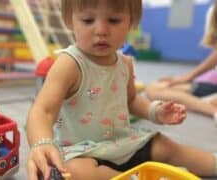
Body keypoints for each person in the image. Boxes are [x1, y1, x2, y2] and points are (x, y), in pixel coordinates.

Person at [26, 0, 217, 180]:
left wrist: (155, 111)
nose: (101, 30)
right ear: (70, 20)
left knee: (165, 146)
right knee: (74, 172)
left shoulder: (125, 63)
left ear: (131, 21)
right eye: (87, 20)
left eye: (114, 20)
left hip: (123, 144)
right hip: (81, 152)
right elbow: (43, 110)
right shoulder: (69, 64)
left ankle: (212, 162)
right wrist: (42, 143)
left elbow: (132, 101)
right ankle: (134, 176)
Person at [146, 1, 217, 123]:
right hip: (212, 85)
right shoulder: (212, 11)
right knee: (154, 88)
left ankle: (210, 105)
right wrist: (185, 78)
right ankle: (211, 108)